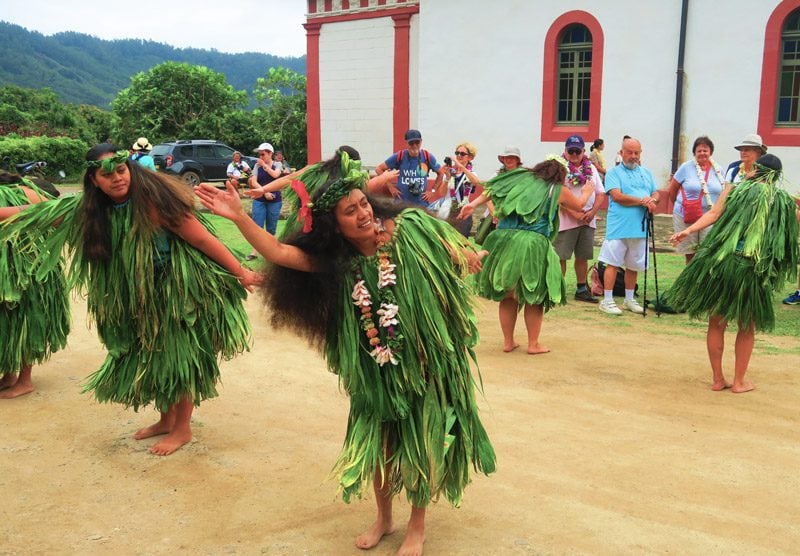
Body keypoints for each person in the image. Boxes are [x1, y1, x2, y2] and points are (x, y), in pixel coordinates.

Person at [195, 152, 495, 556]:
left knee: (422, 443)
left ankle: (417, 527)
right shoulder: (338, 262)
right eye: (350, 211)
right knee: (379, 448)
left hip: (426, 364)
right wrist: (241, 217)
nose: (363, 214)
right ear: (332, 227)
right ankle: (384, 517)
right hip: (373, 369)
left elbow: (454, 253)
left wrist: (469, 259)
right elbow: (281, 254)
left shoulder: (411, 229)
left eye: (363, 203)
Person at [1, 144, 258, 454]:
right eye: (107, 175)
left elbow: (202, 238)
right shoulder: (88, 211)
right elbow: (32, 214)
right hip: (138, 296)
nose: (117, 178)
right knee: (154, 355)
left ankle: (182, 429)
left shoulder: (154, 202)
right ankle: (165, 420)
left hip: (175, 290)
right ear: (94, 181)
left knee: (179, 357)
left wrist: (241, 271)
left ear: (131, 170)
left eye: (121, 170)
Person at [668, 154, 798, 393]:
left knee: (716, 321)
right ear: (775, 176)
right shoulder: (782, 201)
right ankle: (739, 382)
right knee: (746, 325)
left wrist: (688, 231)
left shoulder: (735, 190)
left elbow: (713, 214)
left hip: (720, 262)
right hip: (751, 268)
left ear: (757, 170)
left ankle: (718, 379)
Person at [458, 157, 594, 354]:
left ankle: (508, 342)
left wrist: (474, 204)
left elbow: (492, 188)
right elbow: (579, 205)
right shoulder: (556, 189)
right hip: (532, 244)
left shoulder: (518, 180)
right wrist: (586, 192)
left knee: (508, 295)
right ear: (560, 175)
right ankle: (533, 344)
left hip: (502, 241)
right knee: (534, 295)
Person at [0, 172, 69, 399]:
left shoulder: (23, 193)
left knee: (26, 321)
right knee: (8, 323)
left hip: (30, 271)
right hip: (11, 271)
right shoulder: (23, 191)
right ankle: (10, 374)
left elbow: (58, 214)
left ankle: (25, 380)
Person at [597, 137, 660, 316]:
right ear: (621, 153)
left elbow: (655, 192)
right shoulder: (613, 173)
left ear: (640, 154)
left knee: (634, 265)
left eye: (636, 153)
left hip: (640, 228)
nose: (633, 156)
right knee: (613, 263)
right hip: (619, 227)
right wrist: (642, 200)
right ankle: (607, 300)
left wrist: (653, 199)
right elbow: (617, 196)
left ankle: (629, 299)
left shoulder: (646, 172)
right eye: (629, 152)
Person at [553, 135, 605, 303]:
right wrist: (574, 213)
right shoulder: (559, 168)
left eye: (578, 151)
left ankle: (581, 289)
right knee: (561, 256)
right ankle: (556, 289)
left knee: (583, 256)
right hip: (566, 220)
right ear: (565, 151)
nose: (574, 154)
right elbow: (555, 197)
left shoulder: (591, 168)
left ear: (584, 151)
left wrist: (592, 212)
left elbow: (600, 193)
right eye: (571, 151)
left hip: (588, 220)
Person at [666, 136, 726, 264]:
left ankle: (703, 282)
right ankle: (690, 281)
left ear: (711, 152)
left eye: (705, 150)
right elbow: (673, 189)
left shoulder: (719, 169)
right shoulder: (686, 167)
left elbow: (724, 191)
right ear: (694, 153)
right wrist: (682, 205)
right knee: (690, 253)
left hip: (710, 217)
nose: (702, 153)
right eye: (699, 150)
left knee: (707, 252)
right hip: (685, 215)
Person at [371, 129, 446, 207]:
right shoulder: (400, 156)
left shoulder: (427, 156)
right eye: (411, 143)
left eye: (417, 142)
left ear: (421, 142)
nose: (414, 146)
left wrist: (432, 191)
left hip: (421, 206)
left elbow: (441, 173)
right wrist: (390, 187)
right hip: (401, 205)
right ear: (406, 143)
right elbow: (379, 169)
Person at [424, 141, 483, 236]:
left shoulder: (471, 173)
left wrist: (461, 167)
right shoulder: (451, 172)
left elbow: (476, 181)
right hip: (447, 211)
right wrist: (447, 178)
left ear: (470, 157)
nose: (459, 156)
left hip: (463, 212)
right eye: (457, 153)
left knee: (461, 242)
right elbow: (442, 194)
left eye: (462, 154)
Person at [246, 142, 282, 260]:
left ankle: (271, 251)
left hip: (275, 199)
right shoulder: (257, 166)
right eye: (259, 155)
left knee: (271, 227)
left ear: (270, 153)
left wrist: (265, 166)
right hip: (259, 198)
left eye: (263, 154)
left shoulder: (278, 164)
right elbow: (254, 181)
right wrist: (264, 192)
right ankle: (254, 252)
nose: (260, 157)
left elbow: (276, 175)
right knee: (257, 225)